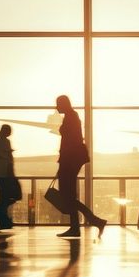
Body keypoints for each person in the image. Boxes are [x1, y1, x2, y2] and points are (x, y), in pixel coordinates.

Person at [54, 94, 106, 239]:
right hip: (70, 161)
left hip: (69, 161)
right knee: (69, 196)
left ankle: (90, 223)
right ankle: (81, 225)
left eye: (58, 104)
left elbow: (70, 143)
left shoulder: (71, 117)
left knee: (68, 196)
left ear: (64, 104)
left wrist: (63, 162)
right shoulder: (72, 116)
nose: (56, 107)